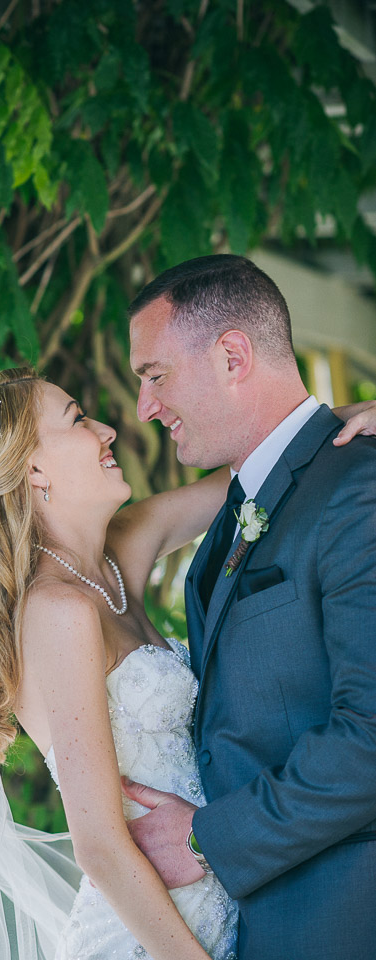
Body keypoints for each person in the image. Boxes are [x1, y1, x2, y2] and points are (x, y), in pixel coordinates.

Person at [0, 361, 373, 960]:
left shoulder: (121, 552)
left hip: (223, 903)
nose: (108, 429)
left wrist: (350, 422)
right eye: (78, 419)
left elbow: (265, 475)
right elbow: (100, 847)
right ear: (33, 469)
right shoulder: (56, 611)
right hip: (148, 938)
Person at [124, 254, 376, 960]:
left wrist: (209, 838)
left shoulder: (360, 486)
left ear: (232, 355)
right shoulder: (240, 509)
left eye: (154, 375)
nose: (145, 407)